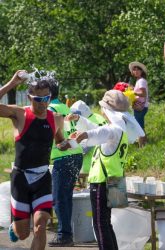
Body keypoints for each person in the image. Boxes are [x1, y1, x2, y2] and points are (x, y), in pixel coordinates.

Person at [59, 90, 144, 250]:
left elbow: (97, 132)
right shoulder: (121, 130)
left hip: (102, 182)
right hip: (116, 180)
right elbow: (98, 129)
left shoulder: (112, 130)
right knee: (106, 223)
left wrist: (78, 138)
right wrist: (80, 119)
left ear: (108, 110)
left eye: (103, 108)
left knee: (100, 224)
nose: (102, 111)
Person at [0, 70, 68, 250]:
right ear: (30, 97)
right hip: (20, 179)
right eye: (39, 99)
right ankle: (15, 228)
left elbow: (59, 140)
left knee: (40, 225)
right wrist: (12, 83)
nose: (44, 103)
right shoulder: (19, 114)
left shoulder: (56, 118)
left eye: (47, 98)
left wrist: (65, 144)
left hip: (42, 178)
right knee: (23, 233)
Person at [47, 82, 83, 247]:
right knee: (65, 196)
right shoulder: (64, 107)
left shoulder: (50, 111)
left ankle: (64, 235)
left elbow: (52, 134)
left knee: (59, 198)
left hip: (64, 156)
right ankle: (66, 232)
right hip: (76, 154)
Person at [70, 100, 106, 174]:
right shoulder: (98, 117)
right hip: (104, 160)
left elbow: (84, 148)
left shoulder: (86, 123)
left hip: (90, 164)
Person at [129, 61, 148, 147]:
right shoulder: (139, 81)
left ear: (141, 71)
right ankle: (145, 143)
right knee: (141, 124)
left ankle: (141, 146)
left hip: (141, 106)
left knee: (139, 126)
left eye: (138, 70)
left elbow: (143, 94)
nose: (136, 71)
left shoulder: (141, 81)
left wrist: (133, 93)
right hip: (140, 106)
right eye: (134, 70)